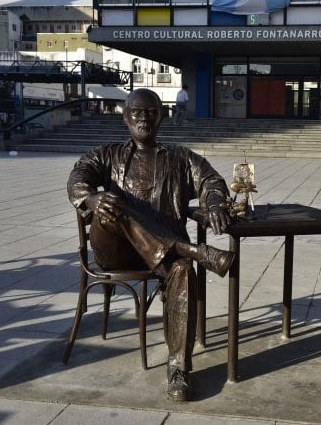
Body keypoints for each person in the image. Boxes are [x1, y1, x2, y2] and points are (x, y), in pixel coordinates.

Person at [67, 88, 234, 402]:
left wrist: (214, 204)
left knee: (184, 270)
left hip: (161, 257)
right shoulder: (105, 154)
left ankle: (179, 369)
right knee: (111, 204)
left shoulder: (181, 158)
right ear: (126, 116)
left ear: (162, 116)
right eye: (136, 112)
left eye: (151, 111)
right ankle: (194, 250)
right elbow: (78, 176)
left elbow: (211, 180)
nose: (143, 118)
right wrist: (91, 197)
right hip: (114, 251)